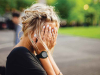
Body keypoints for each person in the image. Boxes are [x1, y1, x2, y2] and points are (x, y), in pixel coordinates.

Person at [5, 3, 63, 75]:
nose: (48, 37)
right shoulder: (20, 53)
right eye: (45, 31)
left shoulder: (36, 51)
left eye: (52, 32)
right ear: (28, 26)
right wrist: (43, 53)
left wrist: (45, 51)